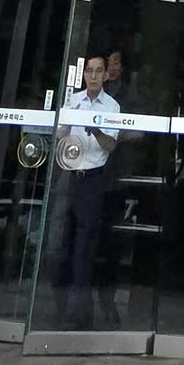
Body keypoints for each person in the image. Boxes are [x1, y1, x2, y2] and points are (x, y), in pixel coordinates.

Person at [54, 54, 121, 327]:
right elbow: (59, 134)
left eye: (98, 71)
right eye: (89, 71)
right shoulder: (73, 100)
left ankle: (78, 314)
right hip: (70, 176)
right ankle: (62, 308)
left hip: (93, 180)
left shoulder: (112, 106)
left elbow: (111, 146)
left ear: (106, 75)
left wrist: (95, 130)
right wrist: (68, 121)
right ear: (83, 75)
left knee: (84, 248)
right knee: (63, 245)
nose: (93, 76)